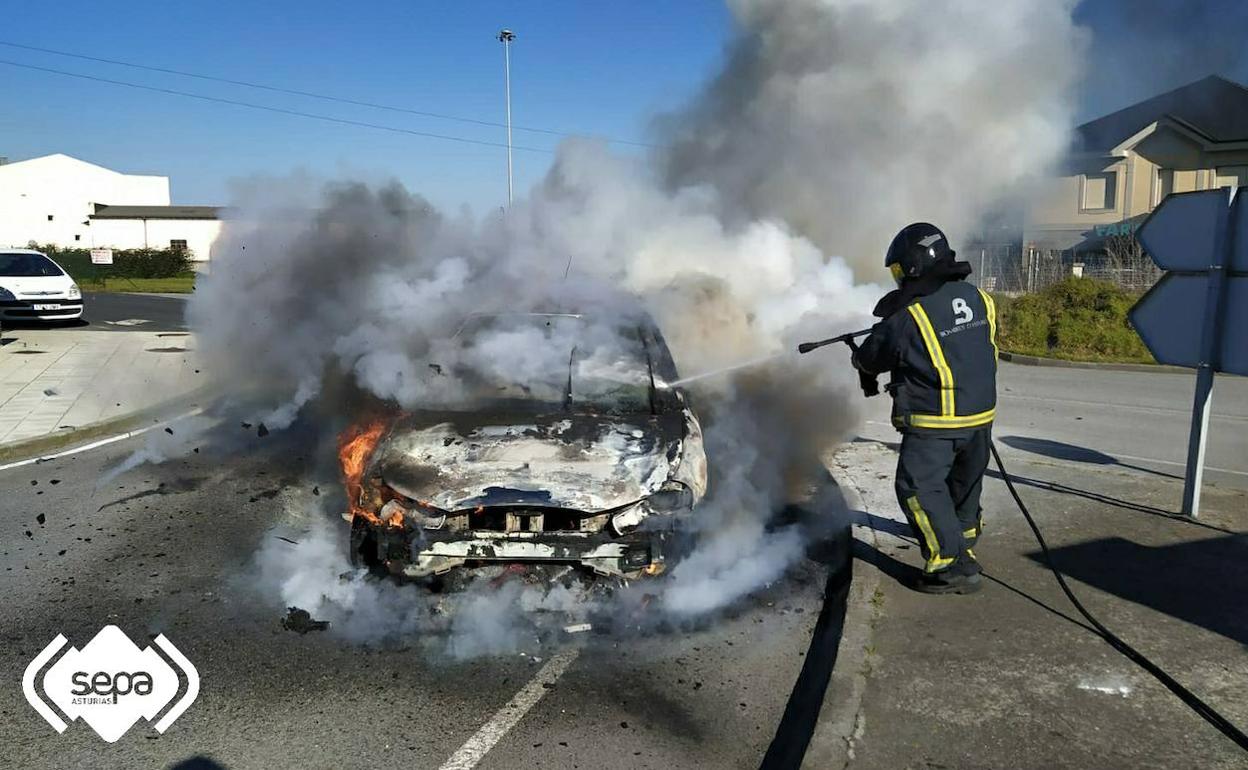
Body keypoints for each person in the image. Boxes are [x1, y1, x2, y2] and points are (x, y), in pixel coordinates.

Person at [851, 222, 998, 594]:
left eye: (899, 270)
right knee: (964, 484)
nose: (898, 278)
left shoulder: (907, 317)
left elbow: (872, 358)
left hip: (936, 420)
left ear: (913, 266)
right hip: (980, 417)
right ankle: (962, 536)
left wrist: (863, 361)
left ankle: (951, 565)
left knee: (918, 487)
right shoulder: (980, 297)